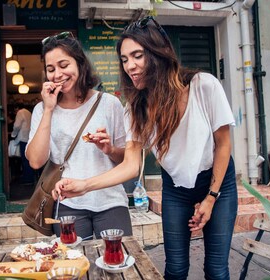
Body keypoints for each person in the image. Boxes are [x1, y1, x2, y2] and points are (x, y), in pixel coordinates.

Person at [54, 17, 238, 280]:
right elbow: (131, 165)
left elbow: (224, 145)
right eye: (124, 59)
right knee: (175, 269)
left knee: (217, 271)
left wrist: (210, 198)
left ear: (157, 52)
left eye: (137, 56)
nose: (130, 66)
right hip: (175, 188)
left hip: (217, 183)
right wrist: (84, 185)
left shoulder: (203, 85)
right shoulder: (137, 107)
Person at [25, 31, 132, 239]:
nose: (57, 74)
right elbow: (36, 162)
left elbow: (127, 160)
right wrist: (48, 109)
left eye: (64, 65)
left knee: (116, 262)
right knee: (74, 268)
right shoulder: (42, 109)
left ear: (80, 64)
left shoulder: (109, 104)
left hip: (110, 200)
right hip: (67, 204)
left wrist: (109, 149)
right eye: (50, 69)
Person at [11, 105, 35, 184]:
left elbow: (17, 126)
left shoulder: (20, 112)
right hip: (29, 137)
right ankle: (30, 177)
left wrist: (13, 134)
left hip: (23, 138)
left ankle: (27, 179)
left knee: (24, 159)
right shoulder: (28, 113)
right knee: (28, 158)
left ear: (17, 108)